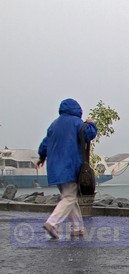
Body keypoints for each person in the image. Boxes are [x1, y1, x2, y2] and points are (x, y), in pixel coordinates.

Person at [36, 98, 98, 239]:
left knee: (69, 197)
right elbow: (89, 134)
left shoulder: (54, 125)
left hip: (54, 168)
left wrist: (41, 157)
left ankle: (77, 228)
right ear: (77, 110)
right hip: (69, 166)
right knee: (70, 197)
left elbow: (45, 143)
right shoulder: (76, 122)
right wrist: (92, 124)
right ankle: (52, 223)